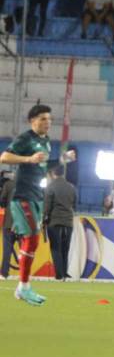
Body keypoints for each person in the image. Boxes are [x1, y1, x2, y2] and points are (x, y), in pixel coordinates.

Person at [0, 105, 54, 305]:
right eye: (42, 119)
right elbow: (4, 157)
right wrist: (28, 158)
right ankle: (23, 287)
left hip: (37, 197)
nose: (47, 122)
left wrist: (62, 160)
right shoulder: (26, 138)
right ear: (32, 120)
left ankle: (24, 287)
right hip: (23, 197)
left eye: (49, 119)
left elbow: (44, 166)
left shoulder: (45, 142)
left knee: (32, 241)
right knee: (31, 239)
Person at [43, 164, 76, 281]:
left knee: (55, 248)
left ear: (53, 174)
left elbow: (47, 207)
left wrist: (43, 219)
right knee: (65, 248)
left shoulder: (50, 187)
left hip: (54, 221)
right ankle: (64, 273)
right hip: (68, 222)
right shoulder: (71, 187)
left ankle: (59, 274)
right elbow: (74, 204)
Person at [0, 171, 16, 279]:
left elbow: (2, 201)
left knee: (7, 249)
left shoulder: (8, 185)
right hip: (24, 224)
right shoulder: (29, 185)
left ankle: (4, 273)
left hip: (9, 222)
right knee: (27, 250)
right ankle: (26, 274)